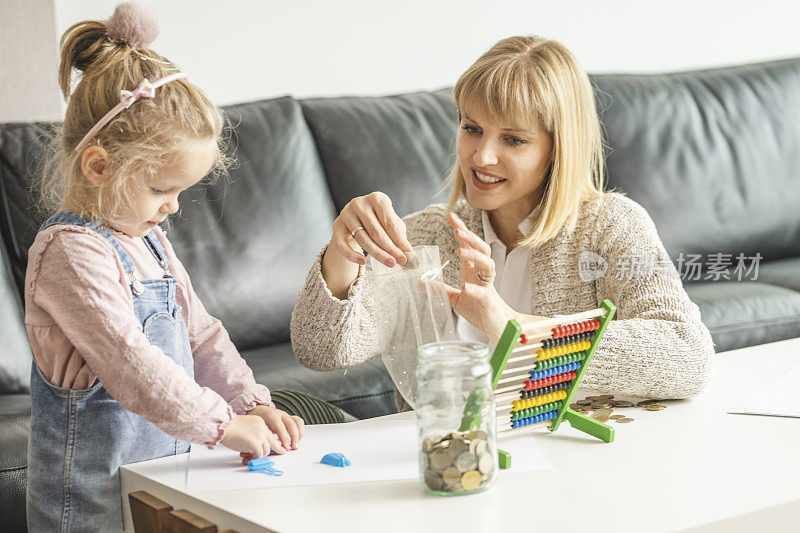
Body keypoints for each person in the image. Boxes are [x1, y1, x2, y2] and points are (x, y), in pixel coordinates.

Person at [291, 35, 715, 411]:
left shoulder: (612, 226)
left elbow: (686, 354)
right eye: (471, 128)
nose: (481, 156)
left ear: (557, 149)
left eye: (513, 139)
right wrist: (342, 251)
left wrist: (509, 327)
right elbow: (322, 351)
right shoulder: (426, 236)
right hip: (449, 469)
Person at [25, 4, 303, 530]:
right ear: (99, 166)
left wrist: (248, 401)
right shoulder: (69, 253)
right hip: (91, 506)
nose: (173, 206)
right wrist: (225, 426)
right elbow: (132, 366)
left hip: (163, 487)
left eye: (181, 191)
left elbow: (201, 336)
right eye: (161, 189)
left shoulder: (149, 240)